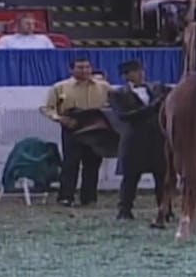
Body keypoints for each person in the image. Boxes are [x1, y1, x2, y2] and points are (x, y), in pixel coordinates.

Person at [40, 58, 112, 207]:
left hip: (96, 128)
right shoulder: (60, 87)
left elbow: (114, 104)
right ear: (71, 70)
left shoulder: (104, 87)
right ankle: (66, 197)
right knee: (70, 164)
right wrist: (60, 119)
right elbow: (47, 108)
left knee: (92, 164)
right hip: (73, 127)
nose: (84, 71)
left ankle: (89, 198)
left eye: (87, 67)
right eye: (80, 68)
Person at [109, 60, 171, 221]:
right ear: (127, 75)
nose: (140, 74)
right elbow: (124, 116)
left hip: (157, 139)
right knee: (130, 178)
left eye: (141, 70)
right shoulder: (117, 94)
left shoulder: (156, 88)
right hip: (134, 140)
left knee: (162, 176)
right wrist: (151, 108)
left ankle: (165, 208)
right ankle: (125, 210)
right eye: (135, 71)